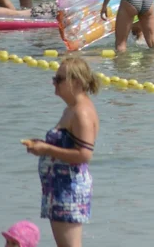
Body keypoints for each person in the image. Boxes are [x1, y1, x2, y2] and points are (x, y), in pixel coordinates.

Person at [23, 56, 99, 247]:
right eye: (55, 78)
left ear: (77, 82)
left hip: (69, 188)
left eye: (59, 79)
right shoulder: (71, 108)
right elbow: (67, 145)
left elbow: (84, 154)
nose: (54, 82)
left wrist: (47, 148)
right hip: (58, 187)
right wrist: (43, 146)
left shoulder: (81, 112)